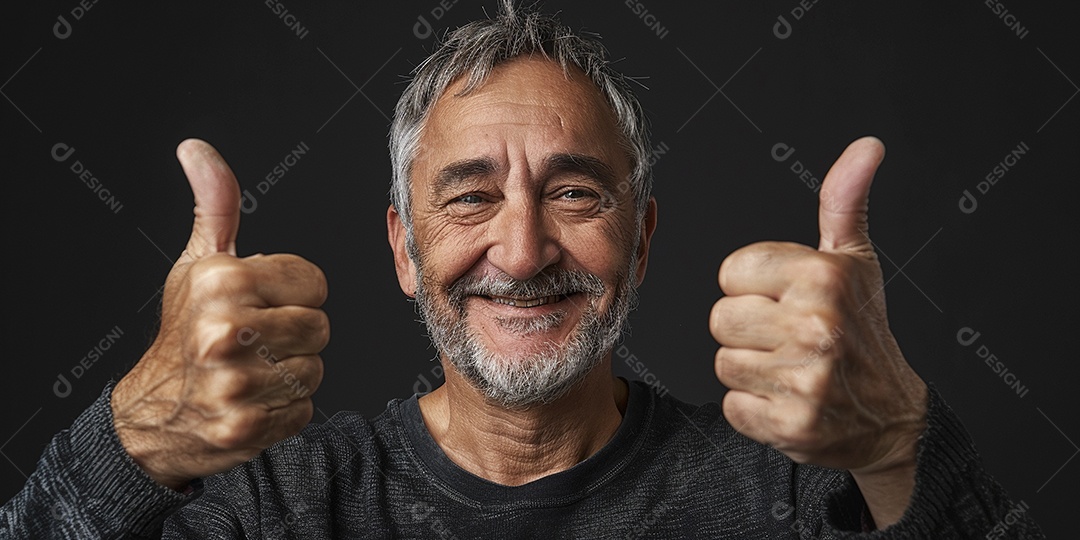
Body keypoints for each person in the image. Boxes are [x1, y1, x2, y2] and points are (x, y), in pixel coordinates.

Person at [2, 2, 1044, 538]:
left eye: (576, 192)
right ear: (406, 252)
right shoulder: (279, 507)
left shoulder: (786, 501)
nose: (522, 250)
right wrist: (130, 437)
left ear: (639, 244)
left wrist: (904, 441)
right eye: (467, 196)